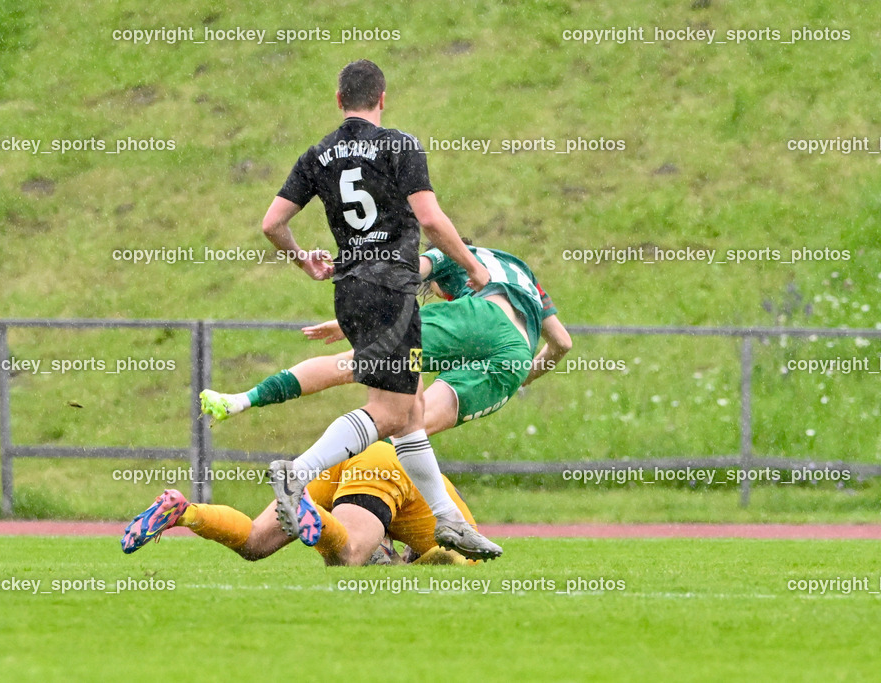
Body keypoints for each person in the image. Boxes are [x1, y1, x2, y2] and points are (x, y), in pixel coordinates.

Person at [259, 59, 501, 559]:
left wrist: (306, 261)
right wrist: (473, 267)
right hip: (392, 288)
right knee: (390, 413)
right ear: (383, 98)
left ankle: (448, 521)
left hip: (350, 290)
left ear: (338, 99)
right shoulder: (400, 144)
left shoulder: (318, 154)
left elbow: (272, 223)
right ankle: (298, 473)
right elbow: (430, 219)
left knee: (409, 410)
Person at [202, 243, 572, 435]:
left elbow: (404, 277)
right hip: (516, 356)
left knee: (353, 367)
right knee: (412, 430)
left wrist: (350, 323)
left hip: (483, 320)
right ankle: (408, 528)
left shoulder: (447, 254)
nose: (444, 298)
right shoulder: (522, 272)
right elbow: (562, 344)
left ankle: (246, 400)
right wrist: (522, 374)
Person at [120, 442, 478, 567]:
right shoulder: (467, 556)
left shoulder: (425, 526)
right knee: (351, 554)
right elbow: (442, 559)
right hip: (385, 466)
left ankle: (184, 511)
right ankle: (312, 510)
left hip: (355, 455)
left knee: (255, 542)